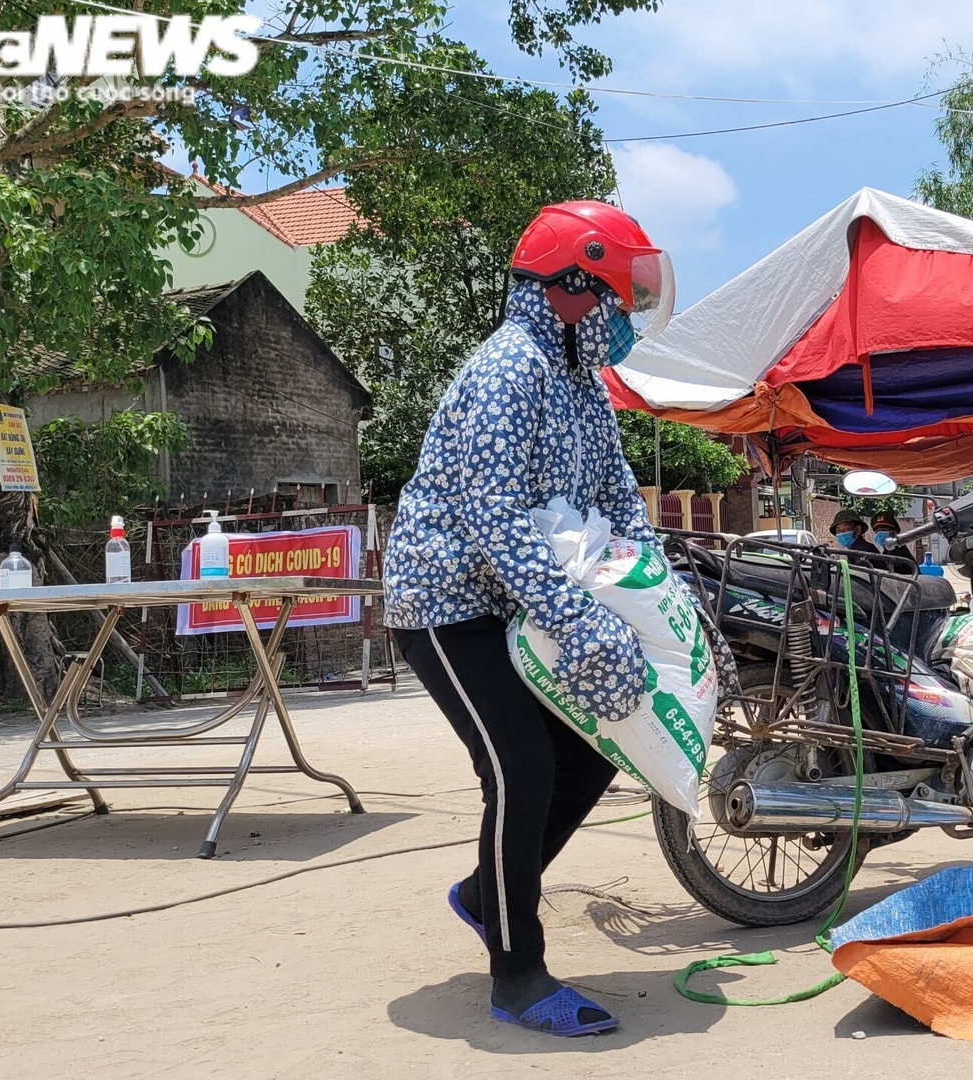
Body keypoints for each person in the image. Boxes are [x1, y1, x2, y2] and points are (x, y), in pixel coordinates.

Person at [382, 201, 677, 1038]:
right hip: (444, 604)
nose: (627, 320)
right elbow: (494, 513)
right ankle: (517, 972)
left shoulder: (583, 386)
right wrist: (580, 626)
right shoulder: (510, 369)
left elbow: (619, 497)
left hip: (515, 603)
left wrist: (665, 595)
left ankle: (485, 895)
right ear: (574, 288)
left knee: (596, 747)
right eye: (622, 297)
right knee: (519, 767)